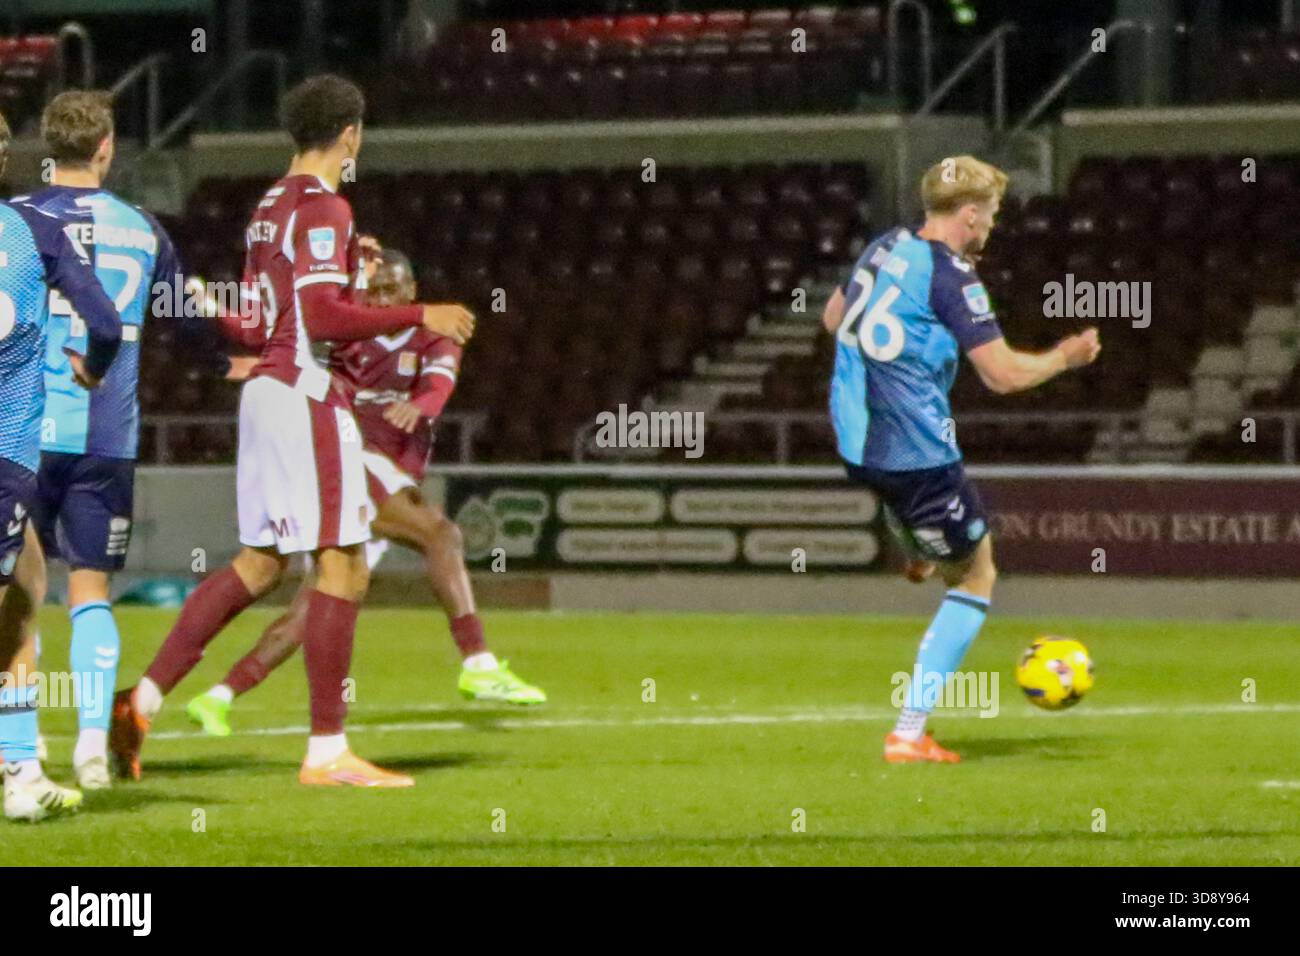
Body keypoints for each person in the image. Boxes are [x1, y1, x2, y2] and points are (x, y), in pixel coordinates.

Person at [109, 74, 475, 787]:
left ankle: (142, 700)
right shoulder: (325, 206)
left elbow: (255, 322)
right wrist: (418, 313)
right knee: (343, 565)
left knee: (260, 563)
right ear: (352, 134)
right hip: (307, 394)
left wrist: (207, 310)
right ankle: (327, 751)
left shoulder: (268, 207)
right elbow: (324, 321)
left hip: (267, 394)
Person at [185, 247, 545, 737]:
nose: (380, 297)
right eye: (374, 289)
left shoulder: (434, 331)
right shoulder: (348, 336)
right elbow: (278, 347)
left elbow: (440, 385)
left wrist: (420, 405)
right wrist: (216, 313)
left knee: (312, 607)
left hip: (385, 473)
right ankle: (478, 662)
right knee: (441, 534)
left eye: (391, 289)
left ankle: (218, 695)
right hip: (352, 459)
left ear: (411, 292)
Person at [822, 155, 1101, 763]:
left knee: (941, 541)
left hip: (851, 437)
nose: (992, 227)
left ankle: (920, 548)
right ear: (969, 214)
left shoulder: (886, 244)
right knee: (978, 575)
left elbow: (832, 317)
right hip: (915, 455)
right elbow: (1001, 375)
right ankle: (908, 731)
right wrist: (1064, 357)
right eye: (992, 215)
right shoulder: (952, 276)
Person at [0, 106, 125, 819]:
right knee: (16, 607)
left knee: (27, 580)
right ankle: (20, 774)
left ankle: (20, 766)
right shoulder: (34, 231)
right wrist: (93, 367)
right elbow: (104, 322)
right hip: (7, 452)